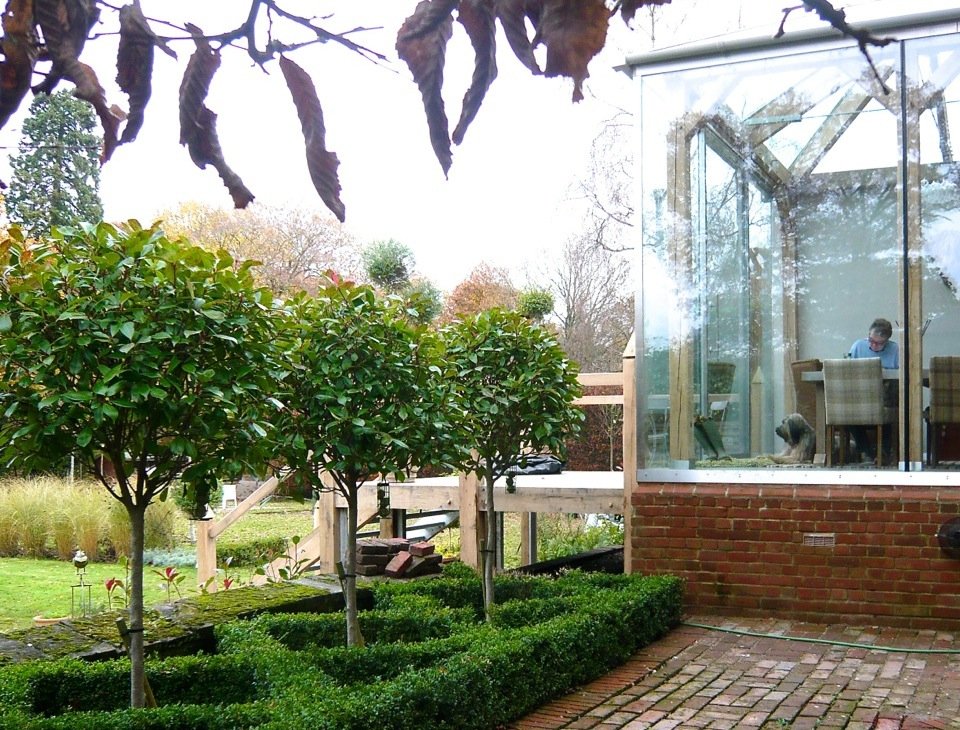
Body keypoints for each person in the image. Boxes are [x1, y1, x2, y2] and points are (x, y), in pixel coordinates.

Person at [847, 317, 898, 463]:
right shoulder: (858, 346)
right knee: (846, 412)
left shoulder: (895, 350)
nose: (873, 345)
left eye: (879, 343)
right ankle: (866, 452)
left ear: (887, 341)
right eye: (871, 340)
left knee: (889, 411)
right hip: (859, 398)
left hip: (885, 399)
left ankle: (883, 453)